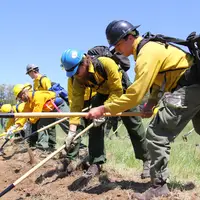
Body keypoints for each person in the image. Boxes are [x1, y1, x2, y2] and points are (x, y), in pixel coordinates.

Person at [85, 20, 196, 199]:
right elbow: (161, 78)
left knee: (156, 134)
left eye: (118, 44)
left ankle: (159, 185)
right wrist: (152, 101)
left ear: (130, 37)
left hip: (190, 87)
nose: (117, 50)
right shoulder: (149, 49)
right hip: (193, 85)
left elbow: (134, 95)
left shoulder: (146, 53)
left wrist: (104, 109)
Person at [60, 48, 150, 188]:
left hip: (122, 92)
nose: (76, 76)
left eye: (77, 72)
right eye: (72, 74)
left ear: (84, 63)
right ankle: (96, 162)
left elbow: (117, 91)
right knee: (94, 125)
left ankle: (147, 160)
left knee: (133, 125)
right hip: (103, 93)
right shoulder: (77, 79)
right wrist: (72, 131)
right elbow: (76, 105)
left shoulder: (106, 64)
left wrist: (104, 110)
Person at [12, 83, 80, 159]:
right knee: (42, 125)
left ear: (24, 93)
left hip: (59, 108)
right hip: (49, 111)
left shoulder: (38, 96)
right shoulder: (28, 102)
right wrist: (16, 125)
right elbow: (24, 114)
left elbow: (35, 116)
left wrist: (29, 120)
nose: (20, 99)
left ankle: (80, 147)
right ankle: (42, 147)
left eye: (20, 97)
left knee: (69, 127)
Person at [26, 64, 56, 150]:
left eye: (29, 73)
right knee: (40, 125)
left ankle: (50, 145)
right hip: (40, 107)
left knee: (49, 126)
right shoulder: (35, 82)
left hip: (49, 105)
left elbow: (51, 93)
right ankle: (36, 143)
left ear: (33, 71)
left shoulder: (44, 80)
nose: (29, 75)